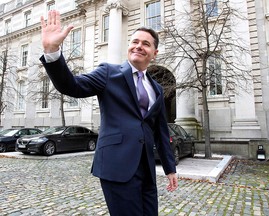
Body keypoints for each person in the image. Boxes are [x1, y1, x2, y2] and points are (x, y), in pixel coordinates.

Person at [40, 10, 178, 216]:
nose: (139, 46)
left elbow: (160, 130)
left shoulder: (156, 88)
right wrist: (52, 52)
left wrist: (170, 167)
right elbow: (72, 86)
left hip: (147, 170)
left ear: (154, 53)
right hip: (117, 166)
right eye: (135, 41)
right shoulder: (108, 73)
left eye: (146, 44)